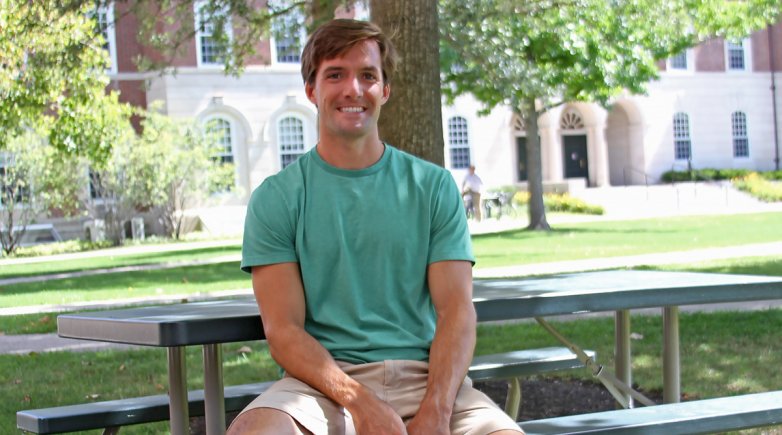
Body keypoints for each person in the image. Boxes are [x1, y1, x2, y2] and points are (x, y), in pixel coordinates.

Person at [229, 18, 522, 435]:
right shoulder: (277, 198)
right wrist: (359, 401)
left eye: (368, 75)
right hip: (321, 388)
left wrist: (437, 411)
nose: (353, 89)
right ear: (312, 90)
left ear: (385, 90)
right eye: (335, 75)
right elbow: (284, 332)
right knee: (254, 431)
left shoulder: (434, 187)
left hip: (430, 380)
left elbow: (456, 310)